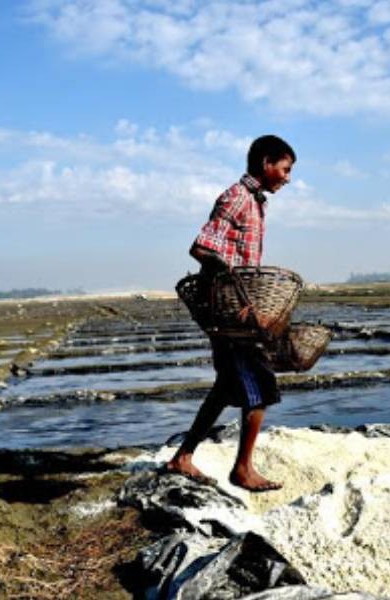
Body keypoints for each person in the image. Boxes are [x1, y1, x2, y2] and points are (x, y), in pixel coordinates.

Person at [167, 134, 295, 492]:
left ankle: (182, 457)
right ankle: (243, 469)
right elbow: (202, 248)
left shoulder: (257, 203)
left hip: (237, 312)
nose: (287, 177)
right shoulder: (237, 198)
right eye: (284, 169)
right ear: (266, 163)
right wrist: (236, 292)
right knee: (262, 387)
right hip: (232, 317)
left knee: (225, 388)